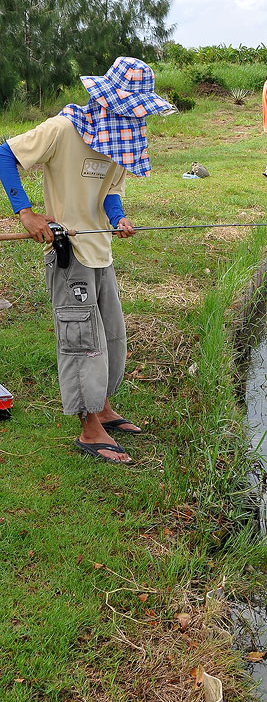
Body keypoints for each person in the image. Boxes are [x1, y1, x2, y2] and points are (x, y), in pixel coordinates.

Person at [0, 56, 176, 463]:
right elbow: (4, 154)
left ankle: (104, 407)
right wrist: (25, 213)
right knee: (81, 339)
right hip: (68, 253)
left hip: (101, 251)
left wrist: (119, 218)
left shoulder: (122, 139)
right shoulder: (63, 129)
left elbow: (110, 191)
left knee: (112, 335)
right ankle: (88, 426)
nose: (135, 117)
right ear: (109, 101)